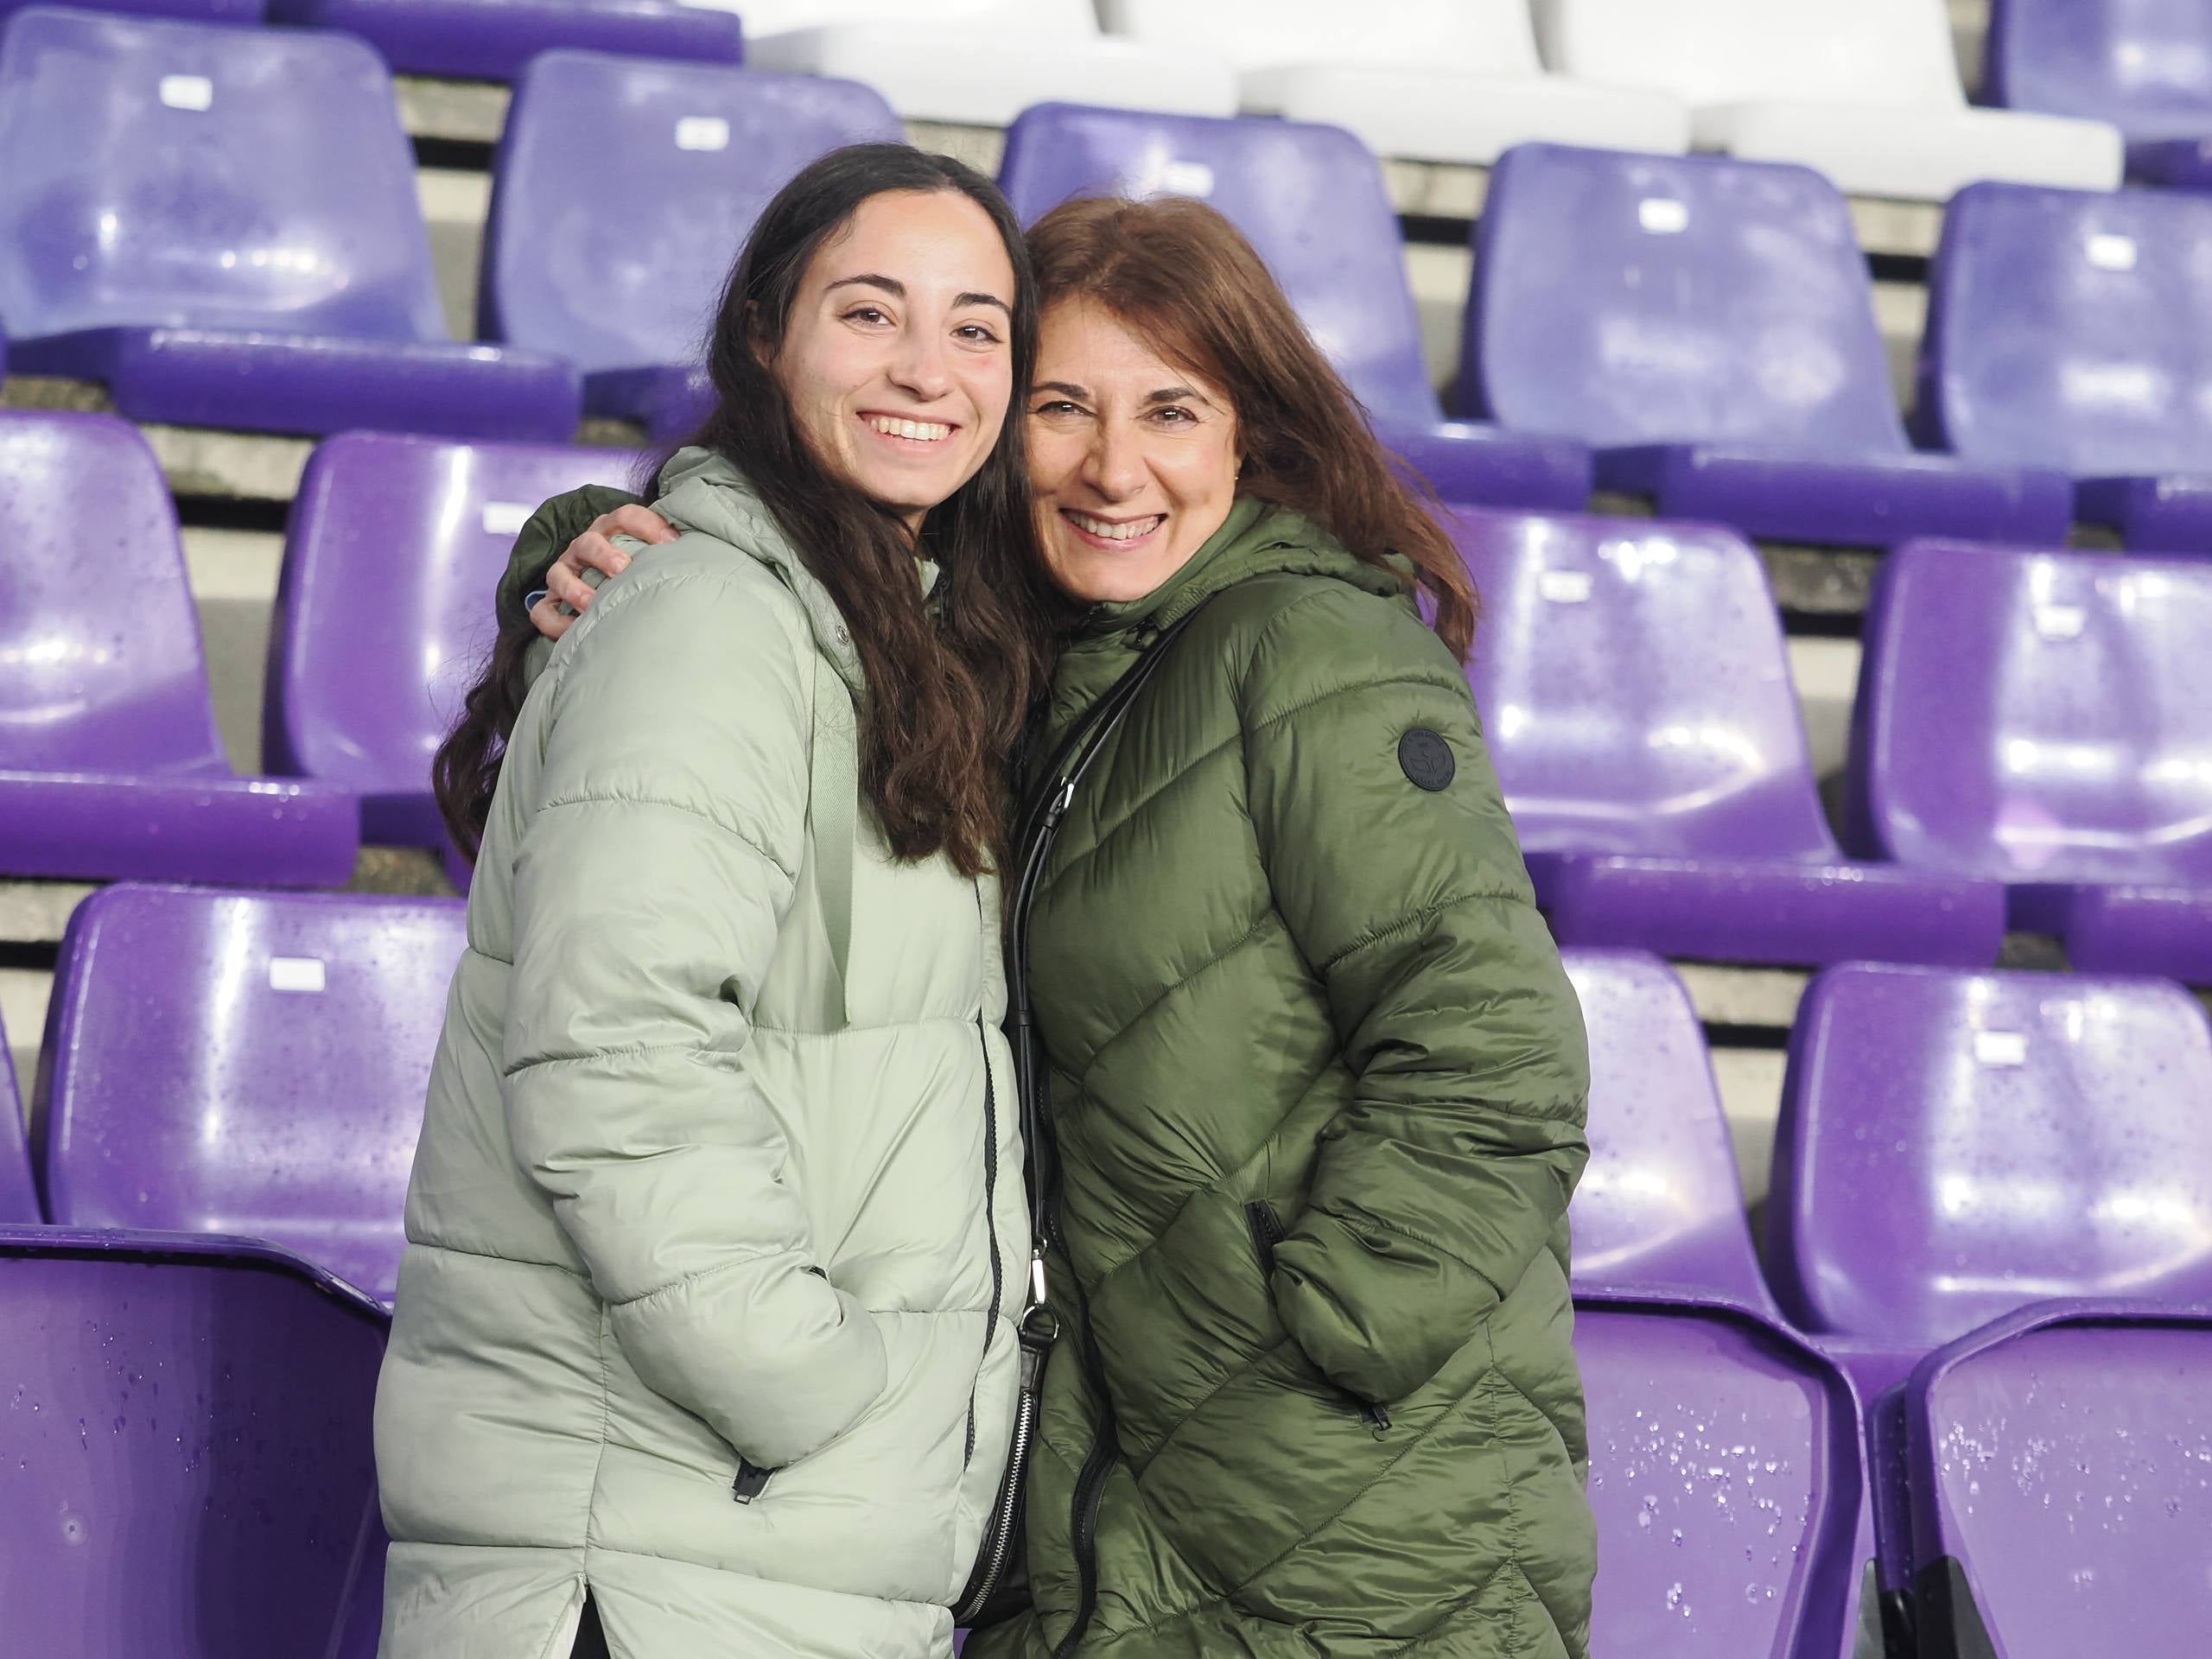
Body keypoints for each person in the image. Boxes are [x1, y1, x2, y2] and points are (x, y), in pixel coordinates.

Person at [504, 194, 1596, 1656]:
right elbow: (747, 742)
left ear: (1246, 437)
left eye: (1172, 412)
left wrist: (1323, 1335)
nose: (1112, 466)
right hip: (1109, 1497)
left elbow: (1496, 1051)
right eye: (1063, 407)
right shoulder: (1026, 669)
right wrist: (588, 552)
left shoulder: (1311, 653)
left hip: (1352, 1506)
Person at [372, 144, 1061, 1659]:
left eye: (976, 328)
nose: (927, 370)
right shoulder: (716, 622)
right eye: (870, 313)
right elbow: (614, 1042)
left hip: (750, 1548)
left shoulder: (901, 634)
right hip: (670, 1542)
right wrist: (801, 1383)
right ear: (764, 334)